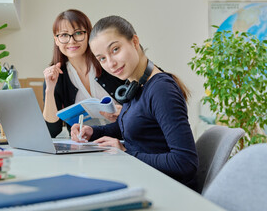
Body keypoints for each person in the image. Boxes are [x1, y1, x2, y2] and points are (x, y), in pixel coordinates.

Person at [71, 15, 198, 190]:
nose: (111, 63)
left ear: (134, 41)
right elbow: (132, 129)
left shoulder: (161, 90)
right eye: (102, 58)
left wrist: (126, 153)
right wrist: (92, 132)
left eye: (115, 49)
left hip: (167, 191)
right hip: (142, 180)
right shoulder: (135, 85)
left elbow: (185, 163)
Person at [43, 10, 124, 138]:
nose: (71, 41)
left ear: (89, 35)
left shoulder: (107, 62)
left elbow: (140, 104)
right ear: (56, 40)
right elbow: (52, 131)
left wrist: (125, 112)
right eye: (64, 35)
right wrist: (49, 90)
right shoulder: (56, 75)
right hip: (86, 146)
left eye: (78, 33)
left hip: (123, 139)